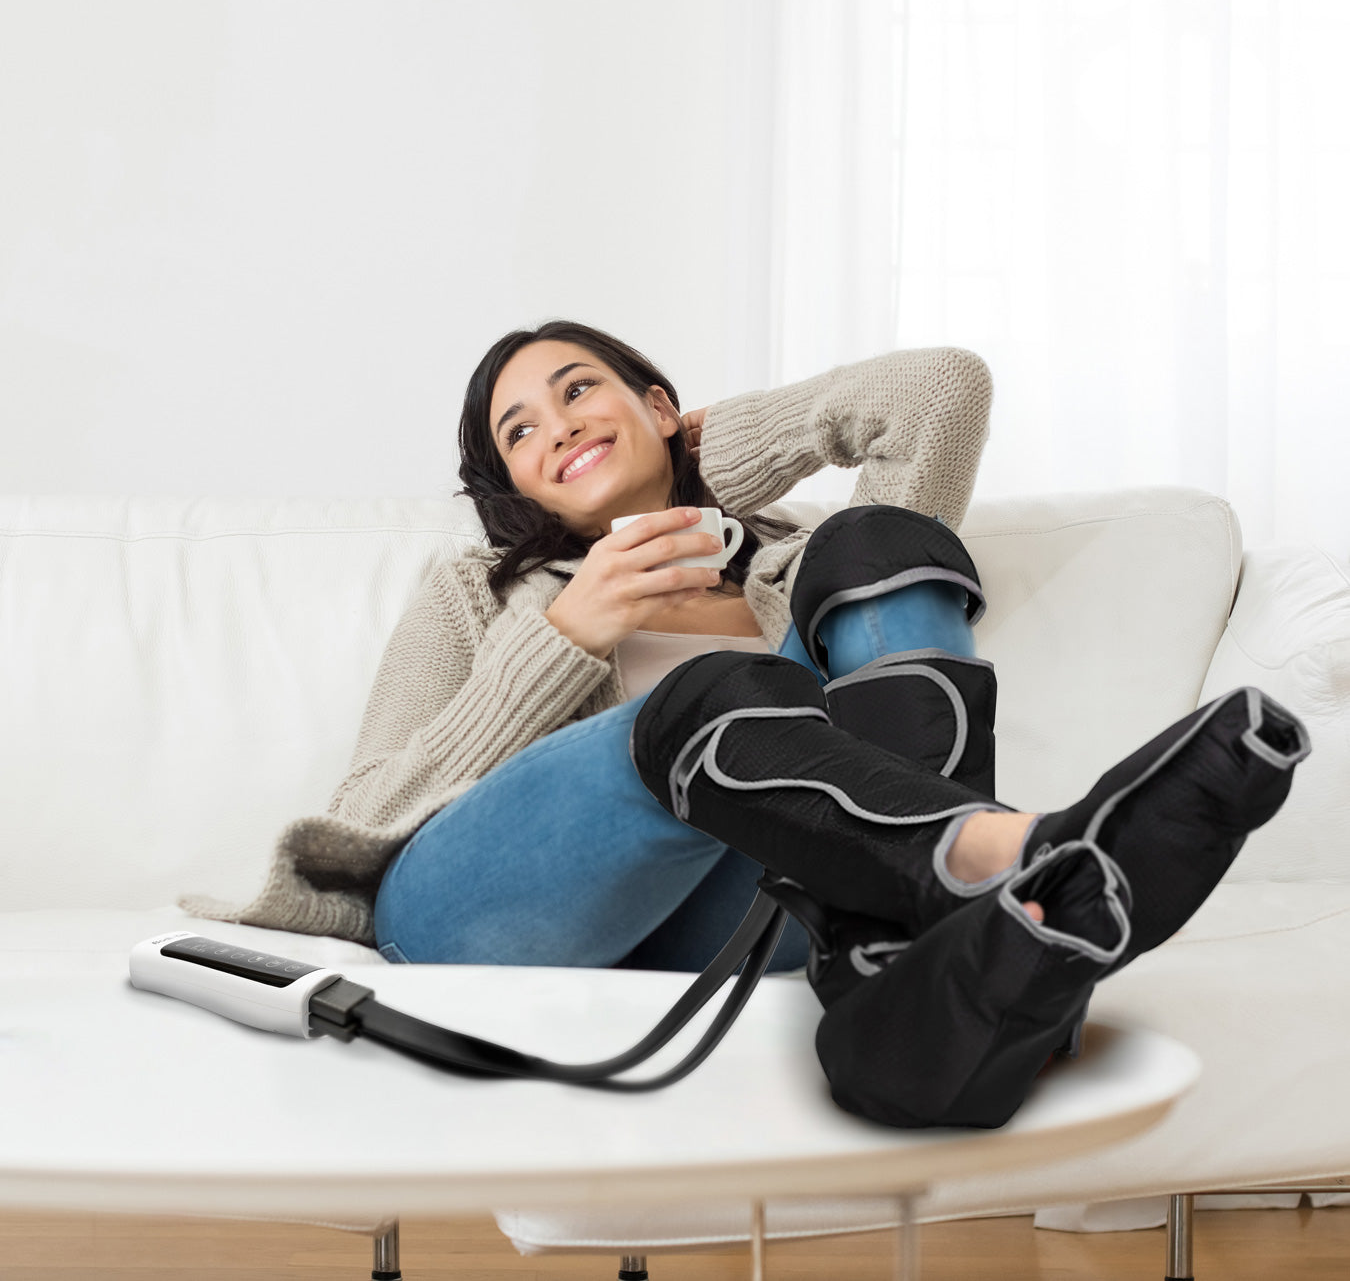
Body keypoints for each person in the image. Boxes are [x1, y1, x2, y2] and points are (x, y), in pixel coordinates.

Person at [180, 319, 1308, 1125]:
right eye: (518, 431)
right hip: (482, 909)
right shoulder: (481, 591)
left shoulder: (788, 563)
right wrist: (565, 635)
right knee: (713, 699)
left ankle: (909, 1018)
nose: (556, 427)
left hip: (729, 918)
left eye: (580, 390)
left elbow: (941, 389)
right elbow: (369, 811)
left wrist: (710, 462)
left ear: (657, 406)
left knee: (881, 552)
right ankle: (1019, 857)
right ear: (515, 484)